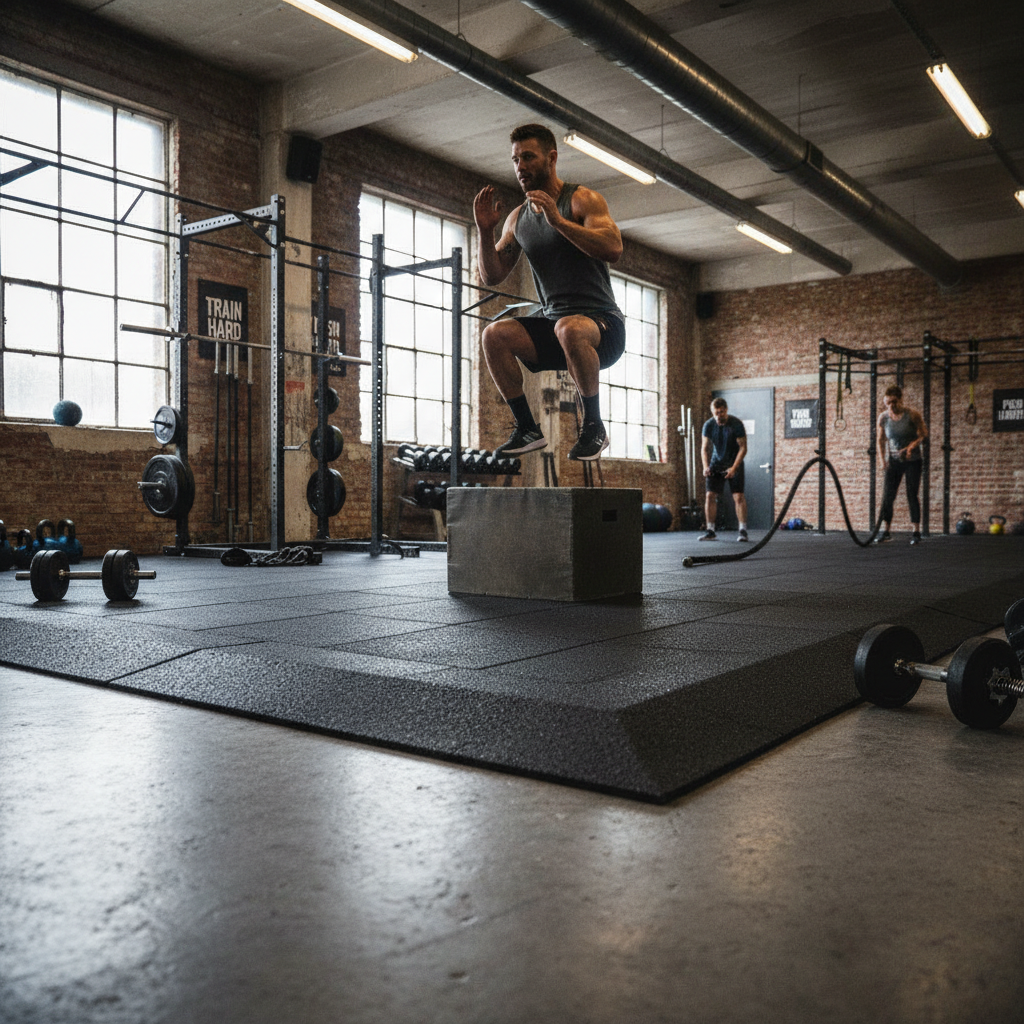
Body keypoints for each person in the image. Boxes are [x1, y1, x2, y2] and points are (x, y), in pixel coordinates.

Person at [473, 124, 626, 461]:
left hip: (603, 327)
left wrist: (558, 220)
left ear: (551, 158)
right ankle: (527, 428)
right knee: (494, 335)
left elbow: (613, 247)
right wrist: (486, 232)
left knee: (568, 327)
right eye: (515, 160)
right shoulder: (518, 218)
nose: (520, 166)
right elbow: (492, 275)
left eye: (528, 157)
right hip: (557, 327)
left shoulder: (581, 199)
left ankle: (594, 427)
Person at [876, 384, 928, 544]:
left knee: (911, 494)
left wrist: (911, 446)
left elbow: (924, 435)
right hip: (894, 461)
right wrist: (882, 460)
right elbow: (880, 440)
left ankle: (916, 532)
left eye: (894, 402)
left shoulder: (912, 415)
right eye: (888, 403)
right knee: (887, 497)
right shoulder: (884, 418)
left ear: (900, 400)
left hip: (913, 461)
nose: (891, 406)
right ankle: (886, 531)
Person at [699, 398, 749, 542]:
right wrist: (705, 467)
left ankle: (743, 531)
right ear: (712, 412)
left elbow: (743, 448)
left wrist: (734, 468)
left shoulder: (736, 424)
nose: (719, 415)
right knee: (710, 496)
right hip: (716, 463)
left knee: (738, 497)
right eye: (716, 413)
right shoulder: (708, 425)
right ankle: (710, 530)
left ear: (726, 410)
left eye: (721, 412)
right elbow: (704, 448)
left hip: (735, 462)